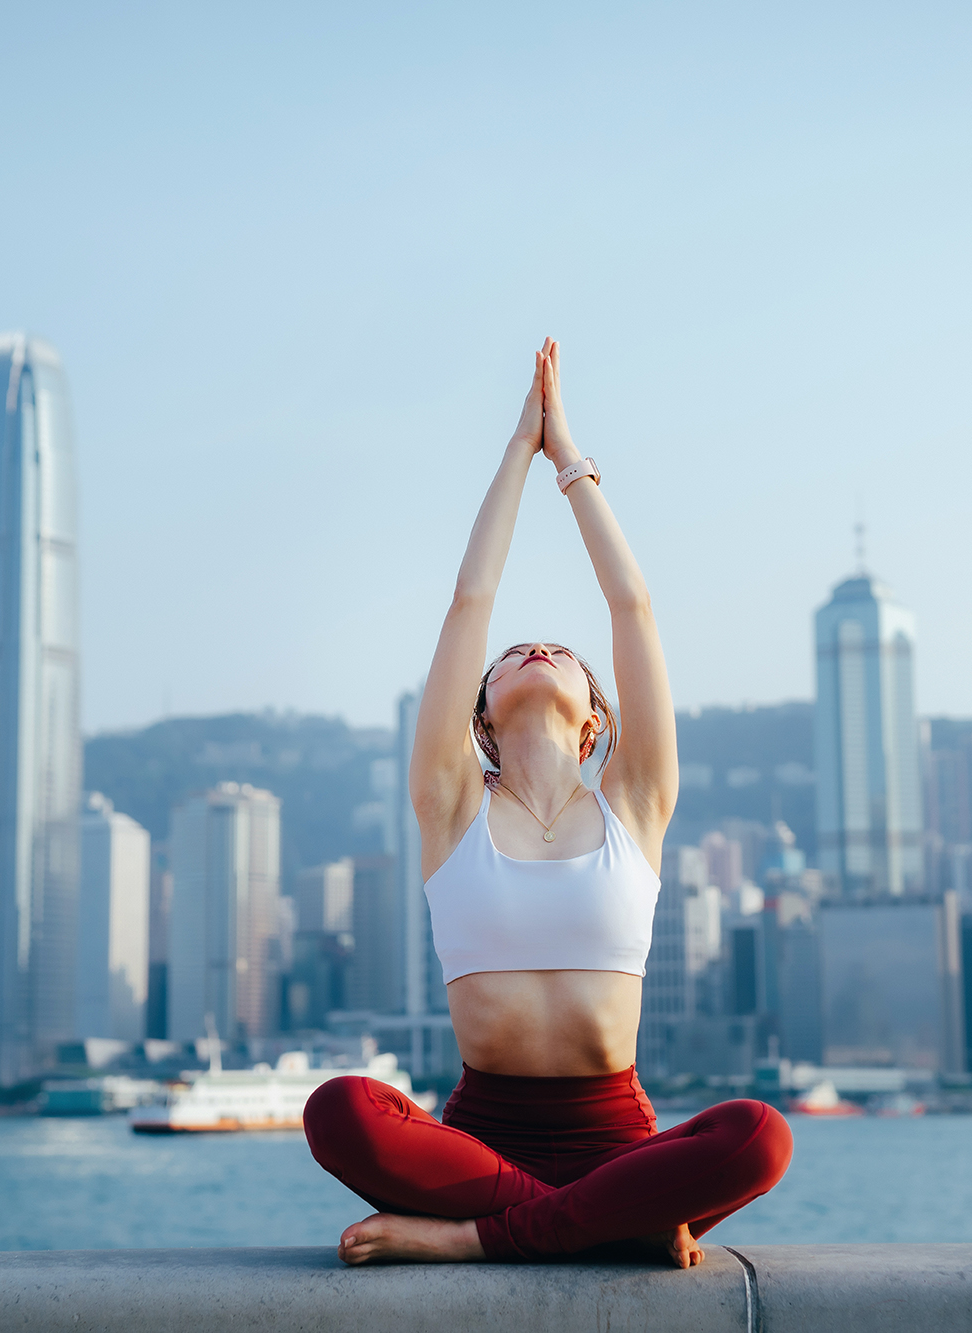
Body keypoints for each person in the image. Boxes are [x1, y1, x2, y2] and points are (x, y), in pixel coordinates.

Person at [303, 338, 793, 1267]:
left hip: (621, 1142)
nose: (534, 649)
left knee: (763, 1132)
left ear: (596, 716)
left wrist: (567, 458)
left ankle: (486, 1243)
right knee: (338, 1110)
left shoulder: (636, 803)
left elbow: (634, 605)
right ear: (478, 713)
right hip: (479, 1148)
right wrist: (513, 453)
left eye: (560, 650)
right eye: (508, 656)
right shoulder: (448, 805)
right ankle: (605, 1226)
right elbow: (468, 601)